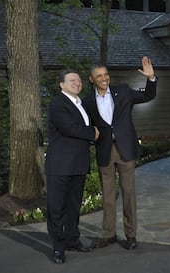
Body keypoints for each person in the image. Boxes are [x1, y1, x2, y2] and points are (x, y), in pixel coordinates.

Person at [82, 56, 157, 250]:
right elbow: (86, 125)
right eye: (99, 75)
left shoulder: (123, 91)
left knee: (128, 194)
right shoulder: (88, 101)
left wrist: (151, 79)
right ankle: (109, 235)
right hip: (104, 151)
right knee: (107, 197)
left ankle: (131, 235)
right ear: (92, 79)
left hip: (125, 150)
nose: (104, 78)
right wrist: (92, 137)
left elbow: (147, 96)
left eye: (106, 74)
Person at [45, 70, 100, 264]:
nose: (77, 83)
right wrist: (92, 132)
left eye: (78, 80)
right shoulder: (58, 103)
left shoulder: (81, 104)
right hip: (60, 164)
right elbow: (69, 128)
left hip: (78, 164)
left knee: (73, 206)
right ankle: (58, 248)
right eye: (71, 80)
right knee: (57, 207)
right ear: (61, 84)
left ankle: (72, 240)